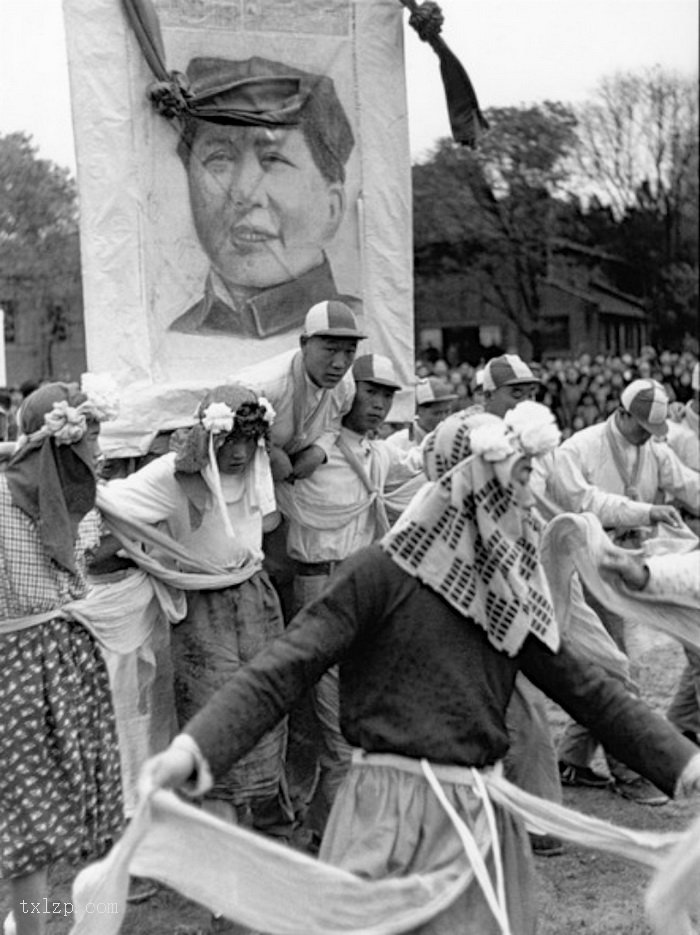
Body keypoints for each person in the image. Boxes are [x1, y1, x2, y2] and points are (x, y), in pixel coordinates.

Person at [140, 410, 700, 935]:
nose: (531, 503)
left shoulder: (505, 598)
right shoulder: (378, 576)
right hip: (385, 818)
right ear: (477, 484)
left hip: (480, 823)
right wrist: (194, 750)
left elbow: (590, 693)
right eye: (522, 480)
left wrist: (685, 764)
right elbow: (281, 669)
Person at [98, 384, 293, 841]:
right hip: (203, 610)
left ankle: (249, 837)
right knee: (213, 723)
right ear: (208, 436)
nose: (240, 452)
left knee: (263, 711)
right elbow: (108, 502)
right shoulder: (172, 474)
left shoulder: (258, 465)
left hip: (256, 599)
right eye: (230, 440)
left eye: (250, 440)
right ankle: (216, 858)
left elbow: (269, 509)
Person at [275, 353, 424, 842]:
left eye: (387, 394)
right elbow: (277, 474)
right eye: (370, 391)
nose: (379, 404)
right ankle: (336, 837)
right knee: (330, 717)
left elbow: (418, 467)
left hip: (364, 588)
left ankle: (329, 824)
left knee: (360, 711)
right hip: (319, 585)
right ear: (346, 392)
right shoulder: (316, 449)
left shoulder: (375, 453)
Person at [0, 382, 123, 935]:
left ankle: (38, 921)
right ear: (60, 443)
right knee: (28, 822)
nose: (97, 451)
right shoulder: (5, 499)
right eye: (90, 438)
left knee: (49, 812)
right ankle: (31, 928)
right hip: (17, 665)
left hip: (64, 658)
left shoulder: (79, 499)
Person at [548, 377, 700, 803]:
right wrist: (646, 510)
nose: (647, 439)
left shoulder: (653, 447)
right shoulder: (579, 447)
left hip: (636, 555)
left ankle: (573, 758)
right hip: (591, 558)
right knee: (613, 662)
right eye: (642, 429)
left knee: (608, 660)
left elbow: (688, 484)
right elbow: (586, 504)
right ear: (622, 413)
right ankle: (628, 770)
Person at [165, 56, 359, 340]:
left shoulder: (361, 326)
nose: (244, 191)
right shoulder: (176, 335)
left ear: (333, 207)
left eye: (273, 159)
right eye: (219, 158)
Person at [386, 376, 457, 451]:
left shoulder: (454, 440)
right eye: (437, 413)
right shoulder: (397, 443)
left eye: (447, 412)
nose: (443, 418)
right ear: (418, 411)